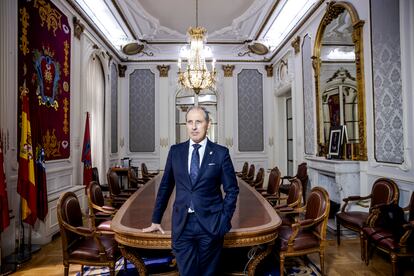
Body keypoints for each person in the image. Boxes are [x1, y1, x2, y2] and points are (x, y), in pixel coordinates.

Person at [142, 106, 239, 276]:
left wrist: (224, 220)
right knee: (187, 272)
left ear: (207, 124)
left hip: (211, 224)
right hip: (182, 224)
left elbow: (232, 190)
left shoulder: (220, 153)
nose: (194, 127)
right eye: (189, 122)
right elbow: (165, 187)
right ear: (186, 125)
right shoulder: (175, 151)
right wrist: (155, 219)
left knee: (208, 273)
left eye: (198, 122)